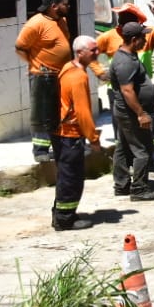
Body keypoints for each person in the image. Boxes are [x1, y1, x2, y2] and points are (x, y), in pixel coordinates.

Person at [95, 0, 154, 174]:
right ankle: (130, 166)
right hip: (120, 92)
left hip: (143, 91)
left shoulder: (145, 36)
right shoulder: (109, 37)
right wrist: (99, 72)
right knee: (124, 131)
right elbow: (89, 52)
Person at [14, 0, 72, 161]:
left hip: (61, 74)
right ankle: (40, 151)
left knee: (58, 111)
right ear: (54, 6)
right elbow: (20, 48)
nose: (68, 6)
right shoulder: (35, 24)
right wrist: (36, 64)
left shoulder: (62, 21)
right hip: (42, 76)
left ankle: (58, 146)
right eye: (65, 3)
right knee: (42, 113)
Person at [109, 22, 154, 202]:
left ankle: (122, 185)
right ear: (134, 39)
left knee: (124, 148)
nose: (145, 40)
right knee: (143, 149)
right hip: (130, 113)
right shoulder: (125, 62)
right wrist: (141, 113)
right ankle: (139, 189)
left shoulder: (129, 56)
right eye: (143, 37)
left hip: (127, 112)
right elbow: (127, 91)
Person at [53, 35, 102, 231]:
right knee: (71, 179)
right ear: (80, 52)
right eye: (93, 50)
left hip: (60, 134)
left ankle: (61, 214)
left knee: (65, 176)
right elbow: (83, 113)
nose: (97, 53)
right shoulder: (79, 77)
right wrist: (94, 139)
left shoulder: (67, 68)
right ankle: (65, 219)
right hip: (70, 136)